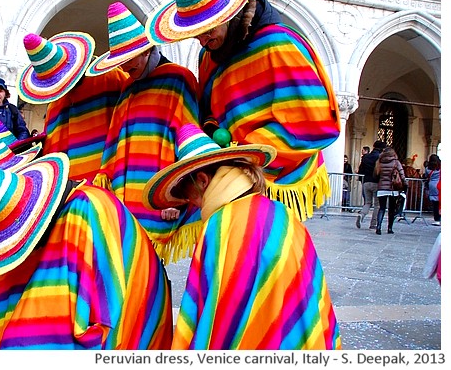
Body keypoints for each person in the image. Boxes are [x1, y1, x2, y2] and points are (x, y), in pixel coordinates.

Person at [145, 0, 341, 221]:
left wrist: (247, 151)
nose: (203, 40)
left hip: (279, 174)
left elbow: (312, 121)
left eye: (208, 30)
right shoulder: (208, 57)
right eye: (196, 34)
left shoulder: (279, 44)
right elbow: (209, 110)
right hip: (233, 168)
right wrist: (216, 134)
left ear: (226, 16)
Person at [0, 154, 173, 349]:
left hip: (135, 320)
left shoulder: (79, 218)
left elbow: (54, 325)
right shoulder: (81, 197)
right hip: (145, 306)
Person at [142, 123, 341, 349]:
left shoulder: (220, 225)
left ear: (202, 181)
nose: (193, 206)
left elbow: (211, 314)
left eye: (190, 198)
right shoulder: (282, 213)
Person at [84, 2, 201, 256]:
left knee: (153, 270)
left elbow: (189, 139)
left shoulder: (178, 79)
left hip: (161, 198)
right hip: (126, 199)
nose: (124, 67)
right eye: (121, 61)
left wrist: (176, 196)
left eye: (128, 60)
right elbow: (115, 143)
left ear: (146, 50)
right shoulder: (128, 87)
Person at [20, 30, 127, 182]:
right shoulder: (55, 103)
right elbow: (53, 148)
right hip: (71, 189)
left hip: (107, 179)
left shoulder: (111, 78)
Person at [374, 146, 407, 235]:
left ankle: (378, 227)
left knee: (382, 208)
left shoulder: (379, 162)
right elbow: (401, 173)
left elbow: (376, 175)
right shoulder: (396, 162)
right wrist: (405, 184)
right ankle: (389, 228)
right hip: (393, 189)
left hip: (381, 188)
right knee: (392, 209)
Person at [356, 140, 385, 229]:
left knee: (367, 202)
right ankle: (373, 223)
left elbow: (361, 170)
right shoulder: (380, 157)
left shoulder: (366, 157)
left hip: (366, 181)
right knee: (377, 204)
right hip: (376, 182)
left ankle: (362, 215)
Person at [423, 154, 441, 226]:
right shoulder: (441, 167)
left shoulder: (428, 168)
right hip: (440, 185)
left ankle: (437, 219)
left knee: (435, 205)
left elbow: (426, 176)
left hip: (432, 186)